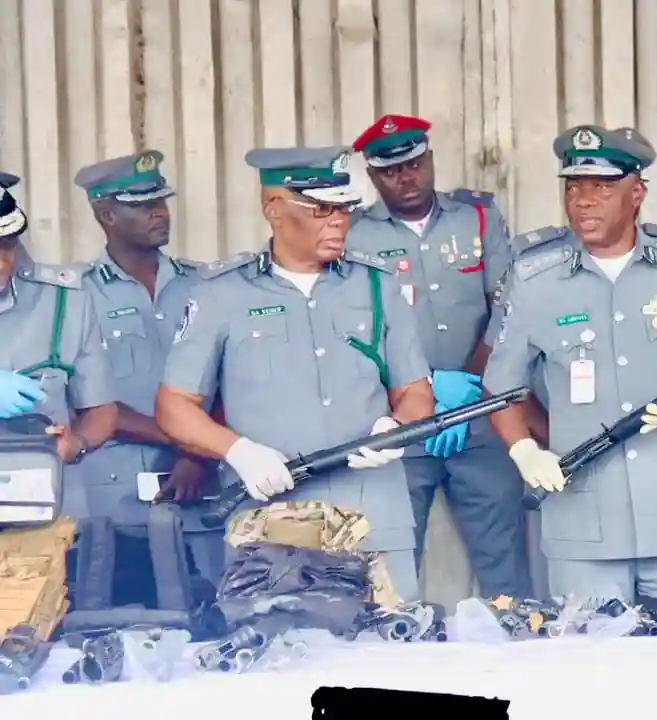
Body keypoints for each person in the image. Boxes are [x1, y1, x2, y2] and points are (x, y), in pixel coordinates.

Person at [154, 146, 436, 599]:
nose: (338, 222)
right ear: (273, 208)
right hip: (270, 524)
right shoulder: (219, 294)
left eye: (343, 209)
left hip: (374, 515)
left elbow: (416, 390)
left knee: (393, 654)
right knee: (279, 655)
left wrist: (397, 428)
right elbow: (174, 407)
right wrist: (238, 451)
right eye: (321, 209)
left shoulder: (378, 286)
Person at [482, 124, 657, 605]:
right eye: (574, 188)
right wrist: (524, 449)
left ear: (637, 193)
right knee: (589, 663)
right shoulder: (535, 279)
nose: (584, 201)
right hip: (582, 518)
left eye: (602, 188)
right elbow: (501, 389)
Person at [346, 114, 530, 598]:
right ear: (371, 175)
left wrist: (461, 394)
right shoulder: (352, 236)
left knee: (503, 555)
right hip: (399, 425)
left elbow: (506, 310)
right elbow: (355, 332)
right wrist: (425, 395)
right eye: (389, 171)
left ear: (429, 161)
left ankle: (520, 642)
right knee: (390, 561)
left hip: (479, 412)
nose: (404, 179)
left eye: (413, 165)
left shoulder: (479, 217)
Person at [71, 153, 214, 510]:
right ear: (108, 215)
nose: (161, 213)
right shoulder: (76, 295)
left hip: (206, 481)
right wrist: (189, 440)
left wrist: (197, 455)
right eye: (144, 205)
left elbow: (233, 380)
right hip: (116, 492)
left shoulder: (205, 284)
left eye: (161, 201)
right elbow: (81, 401)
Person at [0, 171, 118, 520]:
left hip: (47, 519)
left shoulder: (64, 303)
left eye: (7, 243)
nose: (1, 260)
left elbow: (100, 409)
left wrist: (75, 445)